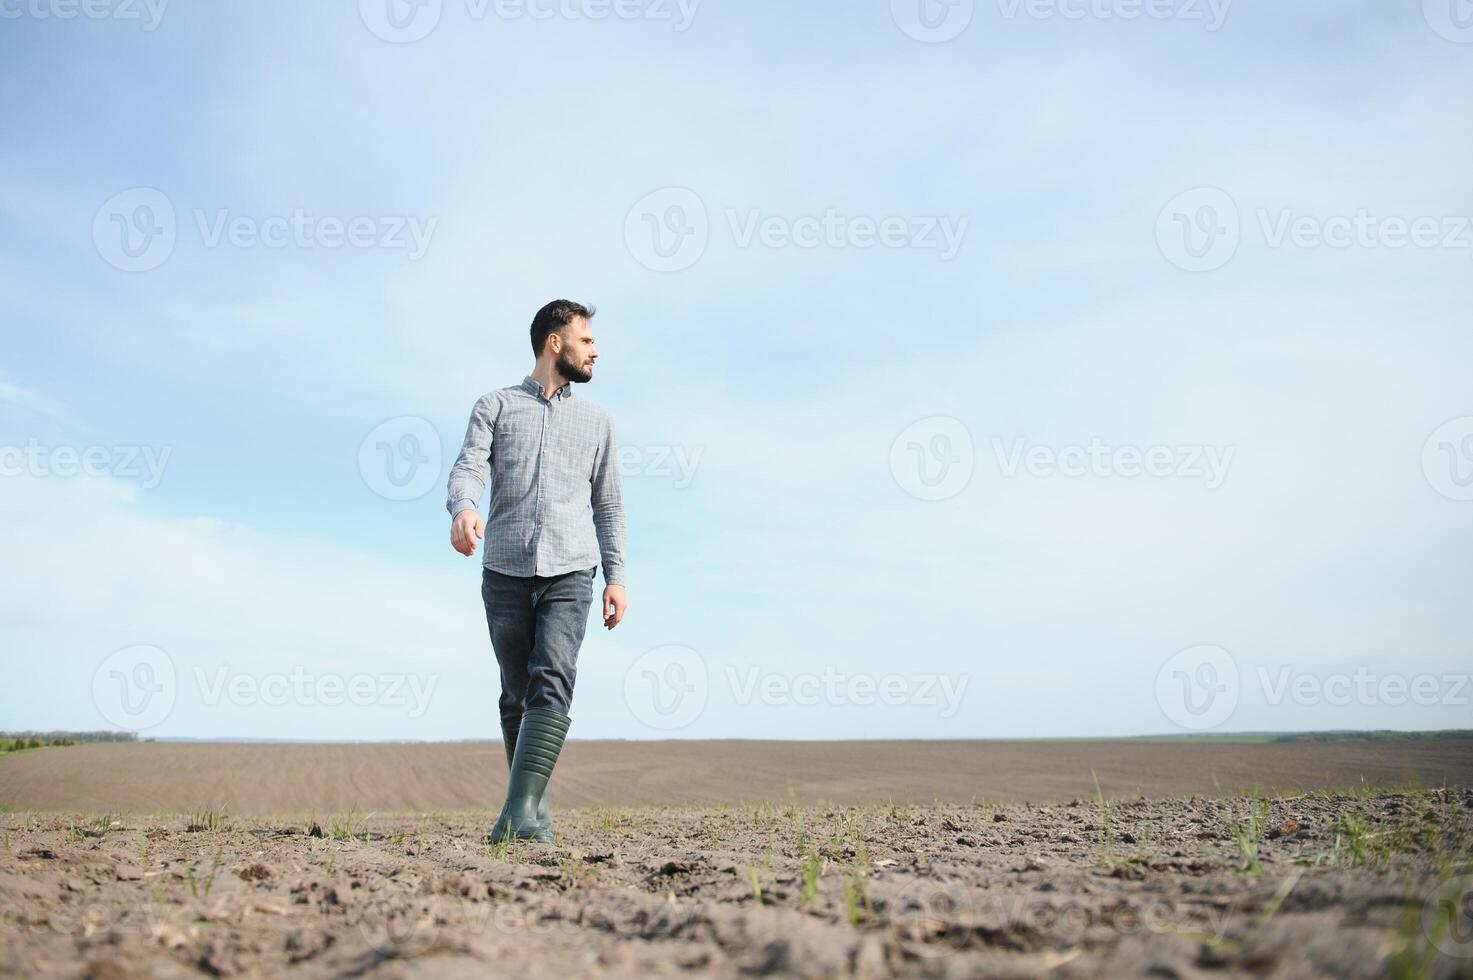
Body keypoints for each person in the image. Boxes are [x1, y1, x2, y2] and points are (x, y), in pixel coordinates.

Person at [446, 299, 627, 842]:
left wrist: (615, 575)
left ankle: (515, 816)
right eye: (587, 339)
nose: (595, 349)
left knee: (553, 678)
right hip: (504, 569)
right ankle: (531, 812)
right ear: (556, 341)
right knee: (516, 693)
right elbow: (468, 468)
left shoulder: (598, 421)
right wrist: (464, 507)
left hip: (572, 571)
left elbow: (609, 505)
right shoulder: (495, 406)